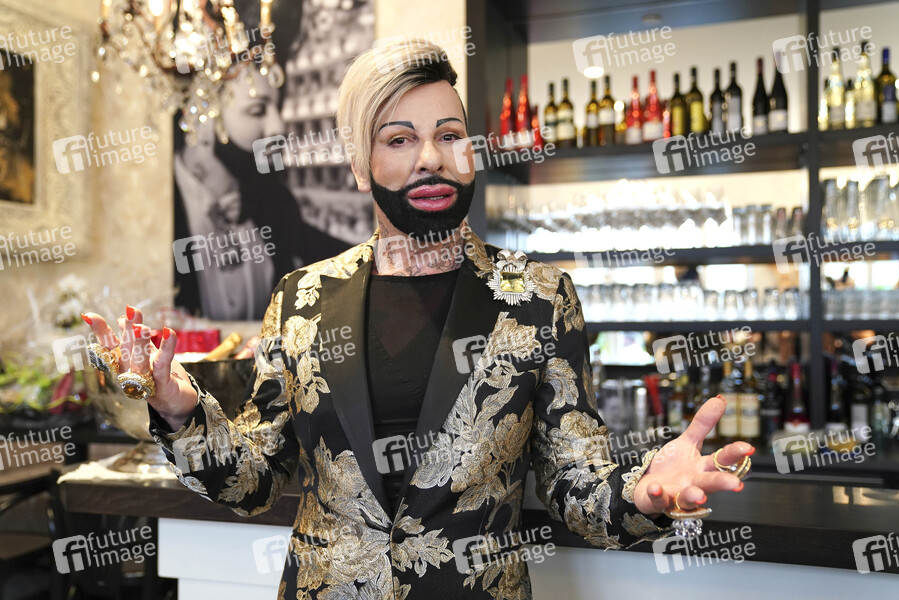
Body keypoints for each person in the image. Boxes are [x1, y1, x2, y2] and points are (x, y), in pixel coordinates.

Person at [83, 40, 753, 599]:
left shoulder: (539, 298)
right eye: (399, 138)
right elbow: (254, 479)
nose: (430, 157)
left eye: (449, 135)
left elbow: (575, 481)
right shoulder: (302, 299)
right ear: (360, 165)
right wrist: (178, 409)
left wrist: (644, 494)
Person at [173, 66, 348, 320]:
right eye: (257, 110)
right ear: (203, 117)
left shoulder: (274, 201)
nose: (277, 127)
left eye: (277, 108)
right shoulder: (157, 209)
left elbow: (335, 256)